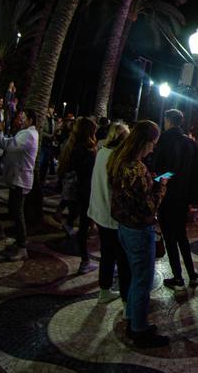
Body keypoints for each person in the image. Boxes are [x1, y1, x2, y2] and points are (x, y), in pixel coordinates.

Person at [108, 120, 169, 347]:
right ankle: (139, 330)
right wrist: (161, 185)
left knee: (136, 277)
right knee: (143, 280)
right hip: (139, 230)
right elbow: (149, 207)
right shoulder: (137, 168)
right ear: (144, 142)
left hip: (123, 226)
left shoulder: (119, 160)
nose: (153, 148)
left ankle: (133, 320)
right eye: (152, 143)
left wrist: (147, 183)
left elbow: (130, 194)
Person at [152, 109, 198, 291]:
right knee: (182, 236)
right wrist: (195, 197)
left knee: (169, 237)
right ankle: (192, 274)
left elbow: (161, 169)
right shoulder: (192, 144)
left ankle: (178, 277)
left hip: (168, 196)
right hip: (184, 198)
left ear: (168, 121)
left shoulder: (165, 140)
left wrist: (156, 181)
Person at [88, 122, 131, 304]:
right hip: (112, 215)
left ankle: (104, 290)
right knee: (122, 259)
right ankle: (126, 300)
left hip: (99, 211)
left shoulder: (102, 153)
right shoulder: (117, 158)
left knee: (107, 254)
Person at [0, 109, 39, 261]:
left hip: (21, 179)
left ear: (31, 120)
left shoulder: (29, 135)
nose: (21, 120)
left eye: (24, 118)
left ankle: (22, 247)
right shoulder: (26, 133)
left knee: (17, 212)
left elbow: (9, 145)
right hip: (17, 178)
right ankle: (19, 240)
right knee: (14, 209)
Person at [58, 117, 98, 273]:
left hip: (74, 190)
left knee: (81, 224)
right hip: (85, 191)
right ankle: (85, 261)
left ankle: (83, 258)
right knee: (84, 226)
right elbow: (88, 174)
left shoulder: (72, 145)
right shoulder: (87, 150)